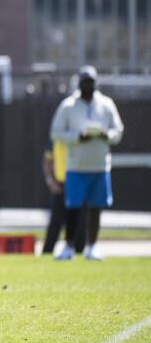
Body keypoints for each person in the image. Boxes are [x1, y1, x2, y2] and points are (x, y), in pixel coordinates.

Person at [50, 66, 123, 261]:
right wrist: (76, 137)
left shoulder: (106, 104)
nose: (87, 85)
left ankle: (92, 247)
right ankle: (68, 247)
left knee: (96, 208)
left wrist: (106, 135)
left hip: (99, 166)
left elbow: (118, 130)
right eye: (84, 81)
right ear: (79, 83)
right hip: (76, 166)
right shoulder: (68, 106)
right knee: (73, 208)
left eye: (90, 81)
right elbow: (56, 133)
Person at [41, 140, 84, 255]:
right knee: (56, 221)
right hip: (61, 184)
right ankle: (47, 253)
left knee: (80, 221)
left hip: (78, 184)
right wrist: (51, 182)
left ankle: (80, 252)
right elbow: (47, 161)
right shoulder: (56, 137)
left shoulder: (82, 136)